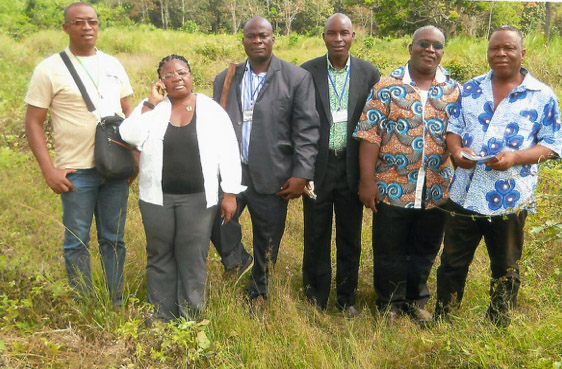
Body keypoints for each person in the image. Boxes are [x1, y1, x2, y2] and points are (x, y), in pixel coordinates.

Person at [434, 25, 561, 327]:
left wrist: (516, 157)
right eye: (495, 48)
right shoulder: (470, 89)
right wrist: (456, 152)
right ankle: (444, 318)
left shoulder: (541, 96)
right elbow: (453, 127)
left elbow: (553, 144)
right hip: (464, 192)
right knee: (452, 262)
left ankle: (497, 325)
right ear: (487, 52)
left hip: (510, 198)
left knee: (504, 266)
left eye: (509, 48)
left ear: (522, 53)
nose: (501, 54)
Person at [119, 55, 245, 321]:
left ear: (191, 75)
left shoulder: (210, 110)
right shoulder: (153, 108)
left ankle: (191, 319)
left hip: (199, 199)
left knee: (192, 257)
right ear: (161, 82)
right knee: (159, 254)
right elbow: (128, 135)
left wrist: (230, 193)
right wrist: (150, 104)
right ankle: (161, 316)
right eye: (168, 75)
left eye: (182, 72)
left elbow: (229, 152)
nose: (176, 78)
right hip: (156, 198)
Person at [24, 2, 133, 305]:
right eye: (79, 22)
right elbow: (33, 122)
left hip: (114, 169)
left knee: (113, 240)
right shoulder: (49, 69)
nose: (87, 27)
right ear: (66, 27)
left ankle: (115, 302)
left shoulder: (113, 64)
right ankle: (84, 304)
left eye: (93, 22)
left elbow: (128, 113)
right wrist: (49, 169)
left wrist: (133, 162)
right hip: (75, 172)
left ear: (99, 26)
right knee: (76, 242)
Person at [353, 25, 461, 324]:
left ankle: (416, 300)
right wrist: (367, 181)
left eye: (437, 45)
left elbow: (460, 135)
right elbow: (370, 135)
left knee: (425, 247)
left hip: (436, 188)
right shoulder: (387, 86)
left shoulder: (453, 90)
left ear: (442, 51)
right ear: (410, 47)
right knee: (389, 248)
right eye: (423, 44)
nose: (430, 50)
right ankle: (389, 303)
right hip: (392, 185)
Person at [211, 16, 319, 302]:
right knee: (214, 220)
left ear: (273, 39)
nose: (257, 41)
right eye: (251, 36)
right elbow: (216, 125)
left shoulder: (295, 77)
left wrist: (302, 173)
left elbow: (307, 129)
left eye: (263, 36)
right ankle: (239, 259)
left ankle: (259, 289)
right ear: (243, 40)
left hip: (275, 173)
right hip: (233, 172)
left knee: (268, 236)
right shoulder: (226, 78)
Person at [300, 13, 380, 317]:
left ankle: (347, 298)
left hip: (352, 167)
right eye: (332, 33)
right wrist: (302, 170)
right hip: (318, 168)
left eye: (344, 33)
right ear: (324, 37)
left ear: (353, 36)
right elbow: (300, 124)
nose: (338, 39)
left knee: (350, 236)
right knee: (315, 234)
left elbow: (375, 124)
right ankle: (315, 297)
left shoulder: (369, 73)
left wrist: (368, 175)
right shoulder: (306, 72)